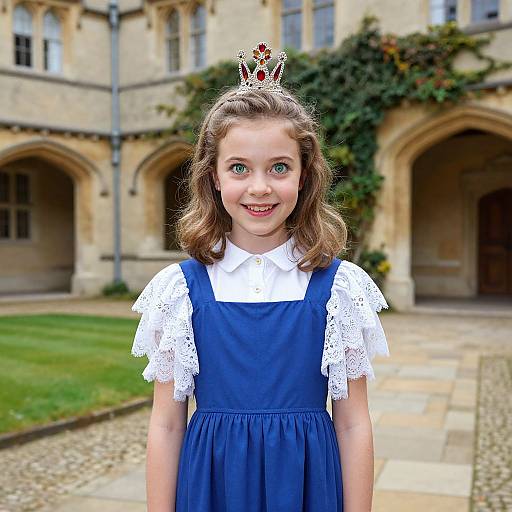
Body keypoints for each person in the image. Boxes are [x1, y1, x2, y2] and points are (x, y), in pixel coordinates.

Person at [131, 41, 390, 512]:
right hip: (211, 487)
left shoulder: (339, 289)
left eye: (279, 167)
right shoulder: (180, 292)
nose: (259, 187)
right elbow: (167, 425)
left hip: (308, 485)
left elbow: (353, 423)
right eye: (238, 168)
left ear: (304, 175)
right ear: (213, 176)